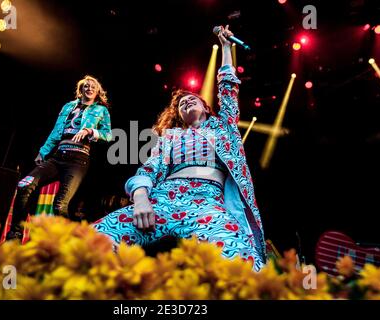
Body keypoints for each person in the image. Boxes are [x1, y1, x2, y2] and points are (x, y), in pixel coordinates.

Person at [93, 26, 266, 271]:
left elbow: (228, 88)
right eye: (182, 103)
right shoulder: (171, 137)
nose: (185, 101)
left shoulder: (223, 126)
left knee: (242, 264)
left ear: (206, 108)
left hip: (209, 203)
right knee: (93, 240)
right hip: (163, 199)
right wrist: (141, 199)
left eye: (192, 99)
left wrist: (226, 47)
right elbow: (149, 168)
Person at [7, 75, 112, 239]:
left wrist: (90, 131)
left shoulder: (101, 110)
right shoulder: (68, 107)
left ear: (97, 91)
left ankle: (69, 242)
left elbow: (108, 135)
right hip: (58, 157)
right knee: (24, 185)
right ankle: (15, 235)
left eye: (93, 86)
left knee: (60, 205)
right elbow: (56, 131)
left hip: (78, 160)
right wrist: (43, 151)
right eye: (86, 86)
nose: (89, 88)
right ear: (80, 90)